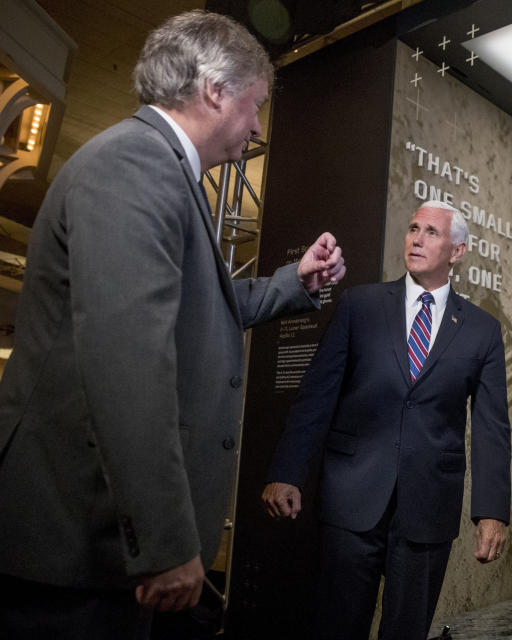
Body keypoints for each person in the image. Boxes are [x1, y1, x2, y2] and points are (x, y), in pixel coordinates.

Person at [0, 10, 346, 638]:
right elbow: (127, 357)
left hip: (96, 551)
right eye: (256, 104)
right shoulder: (137, 162)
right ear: (215, 90)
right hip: (76, 546)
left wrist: (295, 282)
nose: (258, 126)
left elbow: (189, 312)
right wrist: (164, 541)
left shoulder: (155, 167)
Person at [262, 200, 511, 640]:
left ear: (457, 251)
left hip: (429, 505)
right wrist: (287, 471)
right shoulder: (361, 304)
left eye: (432, 232)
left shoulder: (482, 330)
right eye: (413, 228)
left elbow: (492, 426)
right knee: (337, 626)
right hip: (351, 497)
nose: (416, 238)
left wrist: (491, 512)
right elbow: (317, 394)